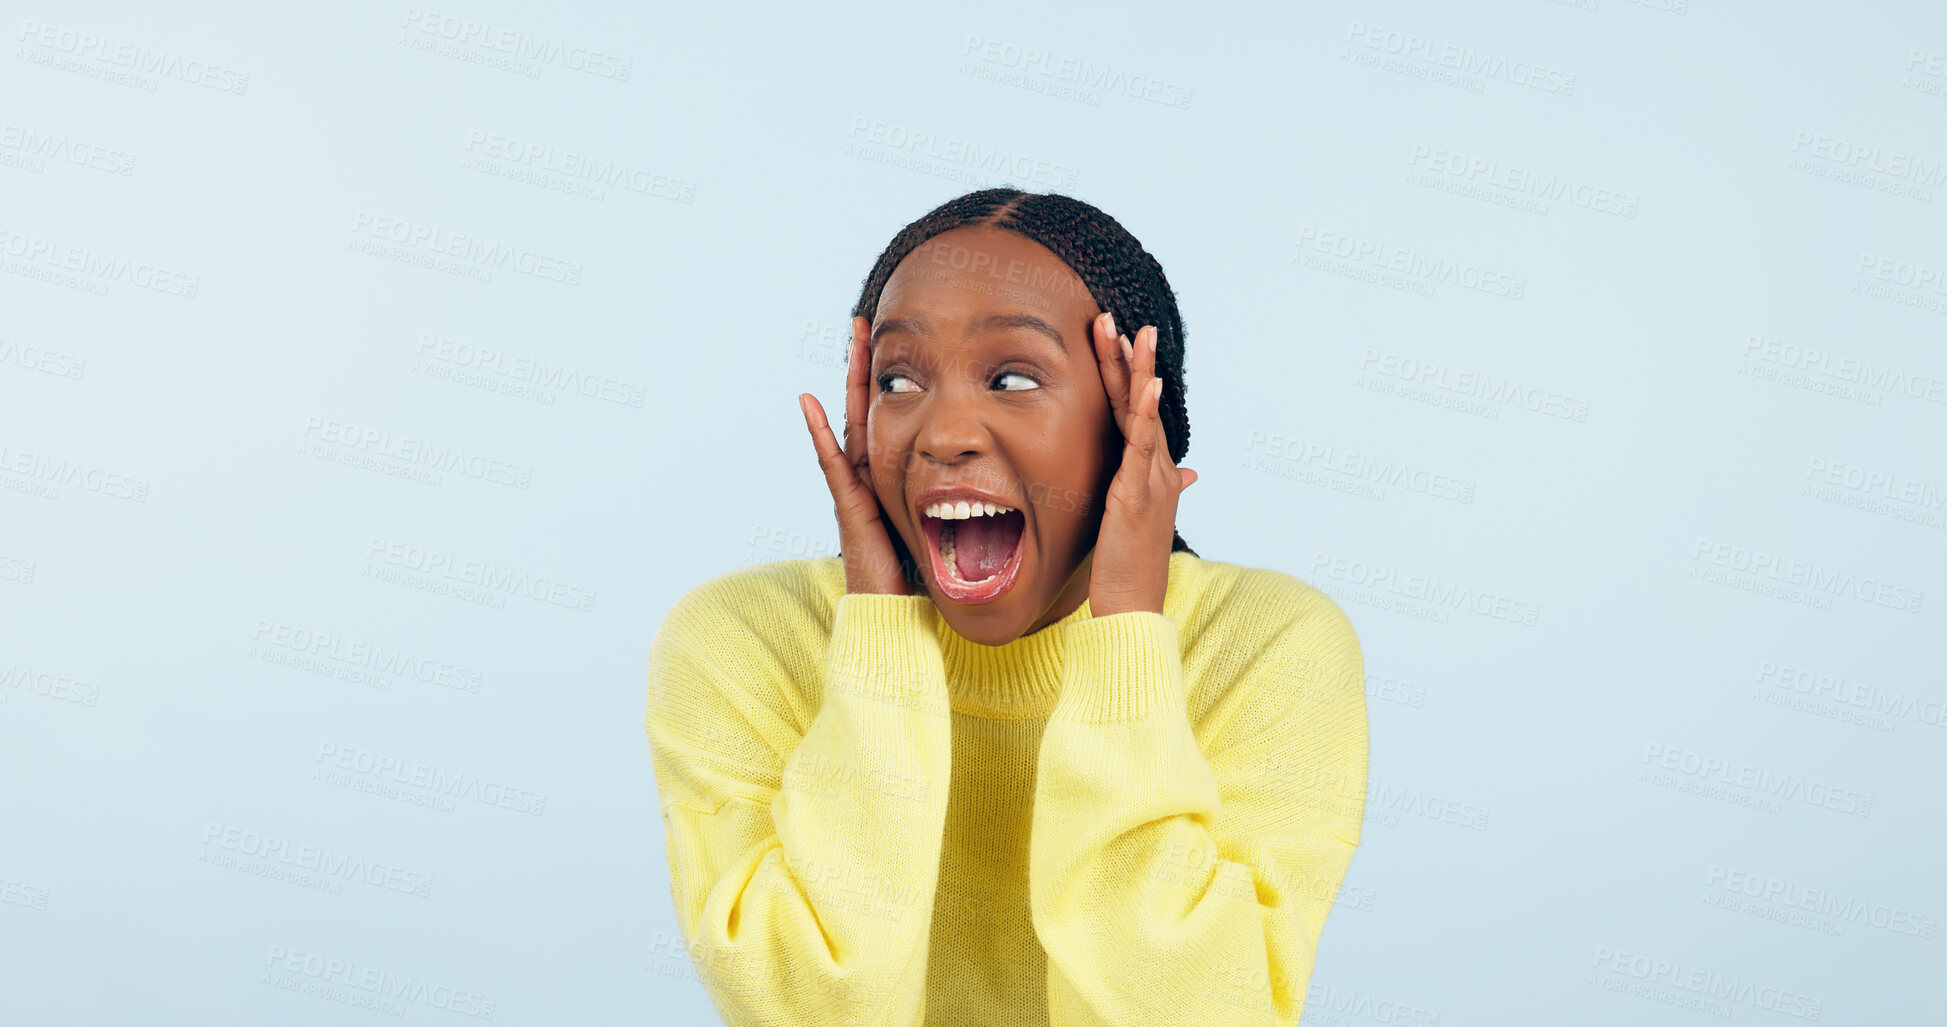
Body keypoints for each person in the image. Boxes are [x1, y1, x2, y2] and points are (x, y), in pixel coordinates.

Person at [644, 187, 1369, 1026]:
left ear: (1134, 417)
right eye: (898, 378)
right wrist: (876, 632)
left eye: (1013, 376)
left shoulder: (1266, 647)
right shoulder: (741, 643)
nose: (944, 431)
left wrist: (1127, 632)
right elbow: (814, 1007)